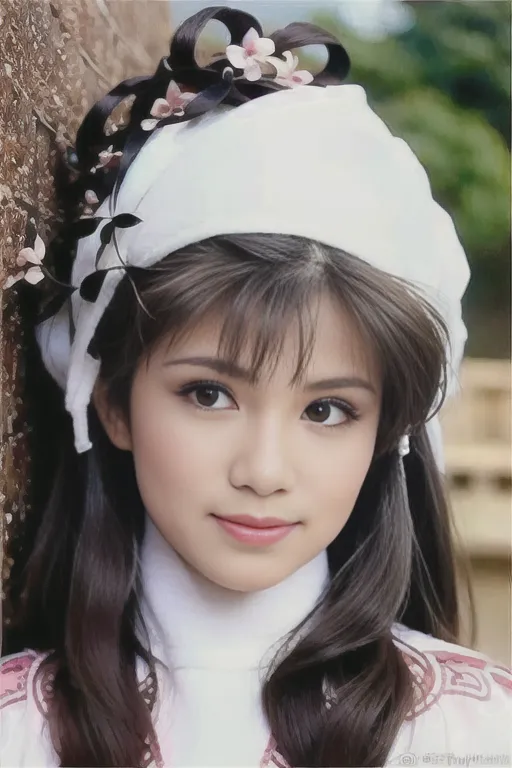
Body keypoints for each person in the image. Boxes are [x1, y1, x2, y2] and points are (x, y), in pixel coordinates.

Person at [1, 6, 510, 767]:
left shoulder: (475, 736)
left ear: (387, 434)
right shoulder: (19, 730)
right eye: (209, 394)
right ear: (112, 401)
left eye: (328, 409)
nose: (264, 471)